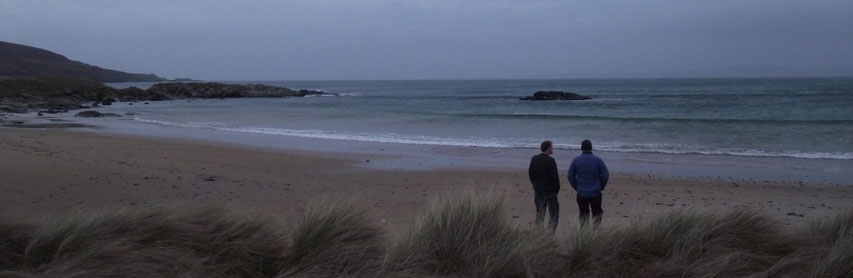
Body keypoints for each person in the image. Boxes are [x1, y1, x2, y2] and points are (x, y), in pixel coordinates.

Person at [567, 139, 609, 226]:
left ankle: (584, 234)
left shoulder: (576, 160)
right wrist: (600, 186)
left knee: (583, 214)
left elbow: (570, 176)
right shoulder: (598, 160)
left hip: (582, 192)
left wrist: (577, 187)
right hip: (595, 192)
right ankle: (596, 233)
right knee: (597, 214)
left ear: (581, 148)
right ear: (591, 148)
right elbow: (605, 175)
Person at [528, 140, 560, 231]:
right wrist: (556, 189)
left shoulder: (534, 159)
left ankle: (539, 233)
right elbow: (554, 177)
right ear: (548, 148)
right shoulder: (550, 160)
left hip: (538, 190)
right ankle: (550, 234)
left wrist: (535, 184)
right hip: (550, 191)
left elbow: (531, 173)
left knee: (540, 214)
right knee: (554, 214)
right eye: (552, 147)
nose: (552, 149)